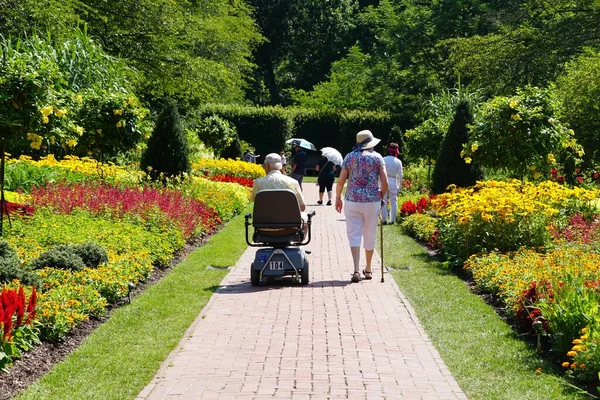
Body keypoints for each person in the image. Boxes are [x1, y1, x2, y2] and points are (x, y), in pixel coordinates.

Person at [335, 130, 388, 283]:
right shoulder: (378, 157)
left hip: (352, 200)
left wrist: (338, 198)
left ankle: (356, 270)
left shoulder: (349, 157)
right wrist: (381, 197)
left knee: (354, 234)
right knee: (370, 233)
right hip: (372, 201)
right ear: (371, 144)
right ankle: (369, 268)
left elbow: (340, 182)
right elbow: (384, 182)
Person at [251, 153, 307, 235]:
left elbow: (253, 200)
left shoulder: (258, 183)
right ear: (280, 167)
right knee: (305, 218)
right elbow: (302, 207)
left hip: (263, 228)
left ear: (267, 166)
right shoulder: (293, 182)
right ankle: (298, 242)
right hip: (289, 227)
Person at [381, 142, 403, 224]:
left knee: (383, 200)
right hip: (393, 181)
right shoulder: (398, 161)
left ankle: (384, 219)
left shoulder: (384, 159)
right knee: (393, 202)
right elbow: (400, 175)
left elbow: (380, 172)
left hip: (384, 180)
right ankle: (392, 220)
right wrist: (399, 186)